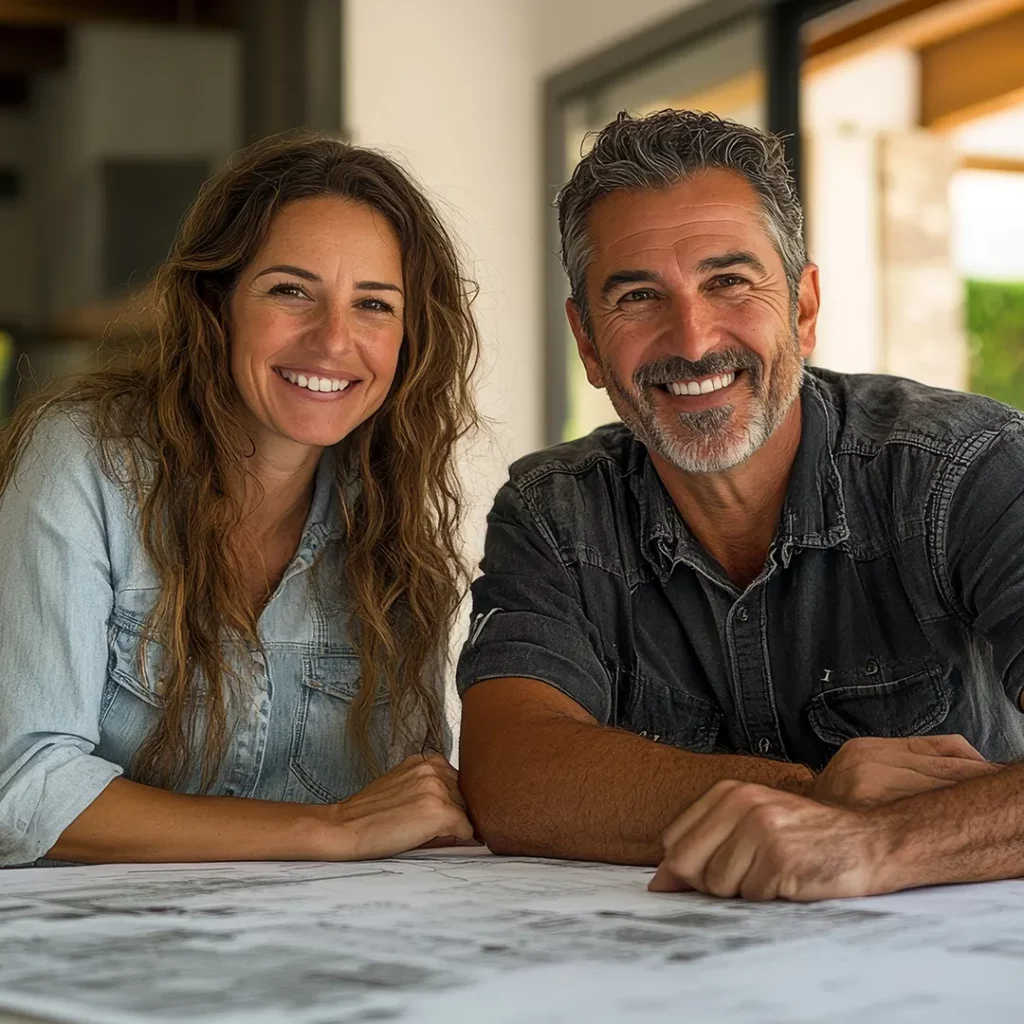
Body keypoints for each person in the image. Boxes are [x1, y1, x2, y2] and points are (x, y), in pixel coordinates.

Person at [458, 108, 1024, 902]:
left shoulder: (968, 468)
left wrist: (877, 844)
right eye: (638, 297)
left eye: (728, 281)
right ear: (588, 344)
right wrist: (814, 792)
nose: (691, 339)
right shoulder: (557, 513)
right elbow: (510, 776)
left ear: (802, 307)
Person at [0, 132, 480, 866]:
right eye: (291, 291)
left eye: (375, 305)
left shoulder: (398, 529)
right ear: (216, 302)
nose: (333, 340)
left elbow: (412, 806)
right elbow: (23, 786)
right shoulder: (85, 460)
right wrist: (328, 831)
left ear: (410, 338)